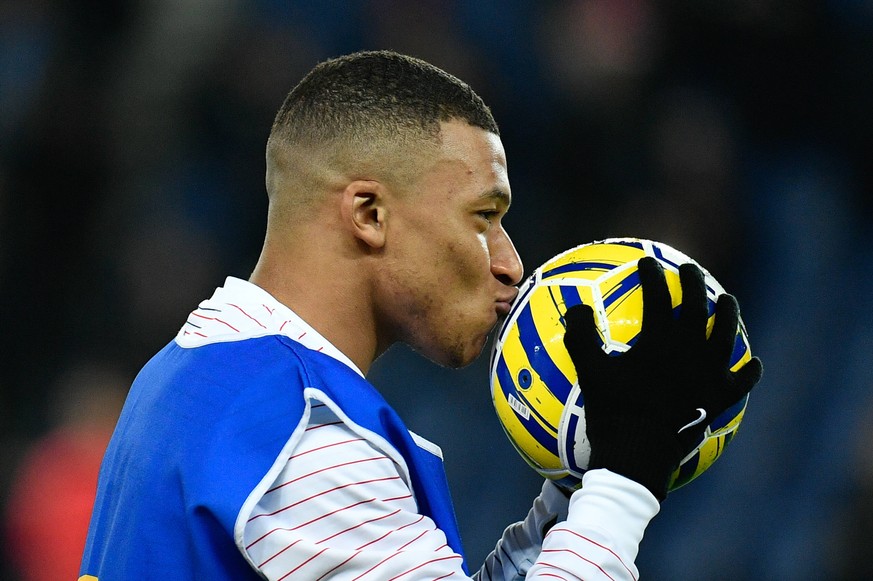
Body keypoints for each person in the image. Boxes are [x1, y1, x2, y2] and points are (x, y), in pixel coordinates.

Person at [80, 50, 762, 580]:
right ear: (369, 214)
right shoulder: (300, 437)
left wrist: (574, 486)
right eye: (483, 217)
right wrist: (625, 479)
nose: (511, 263)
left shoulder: (202, 375)